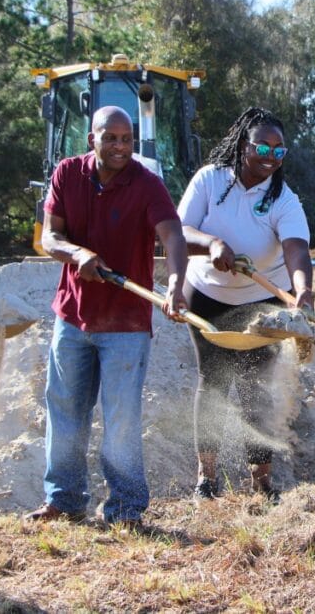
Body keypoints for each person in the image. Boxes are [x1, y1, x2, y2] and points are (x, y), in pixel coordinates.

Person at [25, 106, 188, 526]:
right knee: (65, 411)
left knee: (121, 418)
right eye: (110, 138)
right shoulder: (66, 174)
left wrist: (174, 285)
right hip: (73, 318)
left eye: (127, 139)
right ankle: (64, 500)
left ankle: (126, 509)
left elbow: (173, 235)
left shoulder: (148, 184)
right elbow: (49, 237)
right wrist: (78, 254)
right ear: (91, 139)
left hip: (126, 326)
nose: (120, 146)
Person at [177, 107, 314, 502]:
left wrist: (301, 289)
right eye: (263, 147)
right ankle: (207, 476)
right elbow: (178, 233)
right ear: (243, 145)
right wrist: (212, 244)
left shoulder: (283, 199)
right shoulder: (209, 180)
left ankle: (261, 480)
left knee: (257, 387)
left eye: (280, 150)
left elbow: (297, 249)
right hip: (206, 297)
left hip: (264, 304)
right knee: (214, 382)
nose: (271, 156)